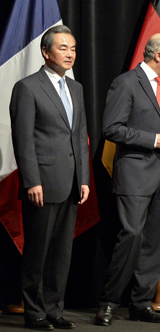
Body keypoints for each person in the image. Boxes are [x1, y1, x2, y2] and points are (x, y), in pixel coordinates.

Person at [95, 33, 160, 326]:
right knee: (131, 236)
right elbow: (112, 128)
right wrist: (155, 140)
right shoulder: (126, 83)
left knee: (153, 244)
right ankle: (109, 302)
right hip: (134, 176)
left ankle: (141, 303)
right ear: (158, 55)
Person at [10, 25, 90, 331]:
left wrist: (83, 178)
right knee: (38, 253)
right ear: (46, 52)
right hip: (41, 183)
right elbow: (23, 139)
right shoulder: (27, 87)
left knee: (61, 254)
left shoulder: (77, 88)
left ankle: (55, 310)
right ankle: (35, 313)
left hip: (70, 183)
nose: (70, 54)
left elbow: (79, 135)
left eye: (72, 48)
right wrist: (31, 181)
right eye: (63, 48)